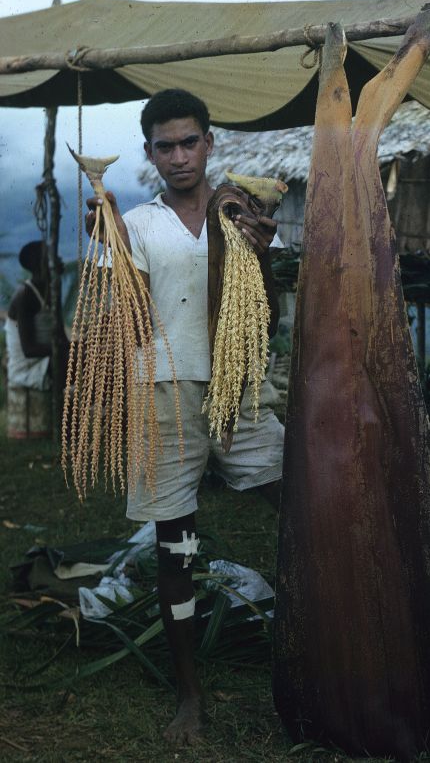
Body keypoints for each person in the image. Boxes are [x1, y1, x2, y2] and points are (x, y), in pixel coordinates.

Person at [85, 88, 284, 745]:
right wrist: (106, 242)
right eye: (164, 146)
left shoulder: (242, 215)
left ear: (209, 141)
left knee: (299, 501)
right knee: (178, 544)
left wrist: (261, 254)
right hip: (164, 391)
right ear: (149, 154)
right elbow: (120, 323)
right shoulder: (138, 226)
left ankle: (321, 648)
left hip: (243, 392)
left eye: (188, 141)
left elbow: (268, 319)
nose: (178, 156)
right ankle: (190, 694)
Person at [5, 240, 69, 396]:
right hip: (30, 367)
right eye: (53, 257)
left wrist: (76, 347)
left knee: (92, 353)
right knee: (80, 360)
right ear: (40, 265)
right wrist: (68, 351)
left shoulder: (54, 286)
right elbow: (29, 350)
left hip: (48, 358)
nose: (59, 259)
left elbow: (60, 336)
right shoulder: (25, 296)